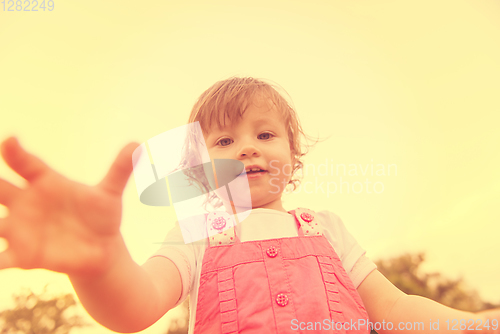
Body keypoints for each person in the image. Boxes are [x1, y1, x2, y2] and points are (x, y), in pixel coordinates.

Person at [0, 77, 498, 334]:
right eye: (223, 141)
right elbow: (135, 306)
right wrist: (100, 263)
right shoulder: (197, 233)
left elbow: (395, 310)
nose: (247, 148)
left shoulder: (326, 230)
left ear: (293, 156)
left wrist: (474, 324)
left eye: (264, 134)